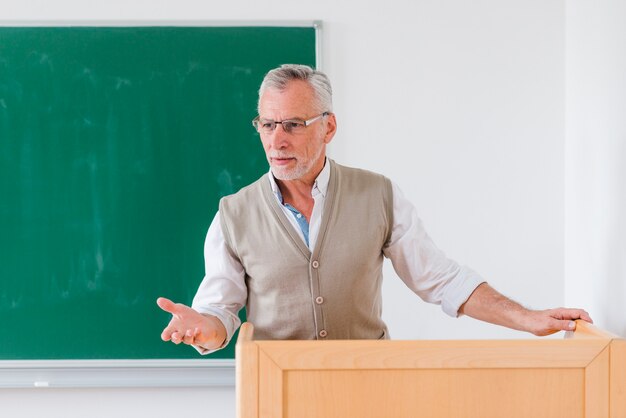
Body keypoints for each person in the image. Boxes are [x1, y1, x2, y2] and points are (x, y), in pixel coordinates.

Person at [157, 64, 591, 353]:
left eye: (293, 124)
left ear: (328, 126)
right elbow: (219, 316)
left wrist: (530, 319)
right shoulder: (232, 215)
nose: (277, 139)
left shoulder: (378, 195)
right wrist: (203, 328)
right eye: (267, 124)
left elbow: (440, 280)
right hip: (278, 394)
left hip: (369, 388)